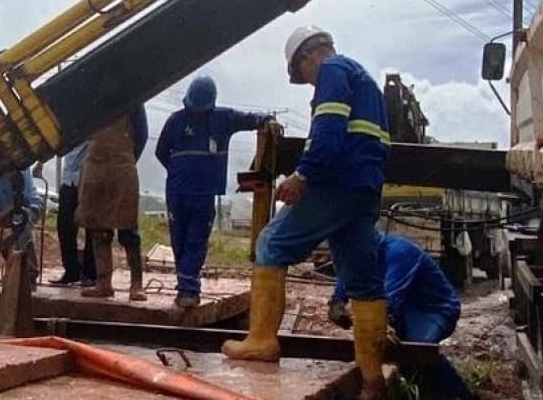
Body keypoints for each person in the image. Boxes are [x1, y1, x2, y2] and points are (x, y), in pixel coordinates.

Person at [222, 26, 390, 399]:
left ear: (309, 56)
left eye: (303, 74)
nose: (309, 82)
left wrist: (303, 175)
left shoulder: (332, 71)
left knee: (271, 244)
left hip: (336, 183)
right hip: (364, 189)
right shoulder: (367, 84)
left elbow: (329, 133)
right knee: (363, 282)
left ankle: (262, 341)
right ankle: (373, 381)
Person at [156, 75, 272, 308]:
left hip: (204, 193)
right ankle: (186, 286)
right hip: (178, 193)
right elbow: (161, 151)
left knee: (196, 240)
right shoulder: (176, 121)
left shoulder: (223, 119)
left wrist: (267, 120)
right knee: (179, 240)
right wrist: (180, 173)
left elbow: (250, 120)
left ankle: (188, 290)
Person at [329, 232, 474, 399]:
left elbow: (392, 296)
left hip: (434, 309)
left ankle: (460, 395)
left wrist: (381, 323)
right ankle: (419, 387)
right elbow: (350, 274)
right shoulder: (363, 254)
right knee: (398, 351)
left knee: (419, 348)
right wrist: (337, 301)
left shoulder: (399, 252)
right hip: (403, 310)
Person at [77, 104, 149, 302]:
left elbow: (142, 134)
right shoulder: (90, 97)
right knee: (97, 228)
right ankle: (103, 282)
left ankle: (136, 284)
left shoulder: (133, 98)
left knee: (128, 230)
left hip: (122, 164)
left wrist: (127, 158)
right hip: (94, 164)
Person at [48, 143, 97, 287]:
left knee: (91, 226)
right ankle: (71, 270)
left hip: (88, 178)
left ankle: (90, 273)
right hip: (68, 178)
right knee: (65, 226)